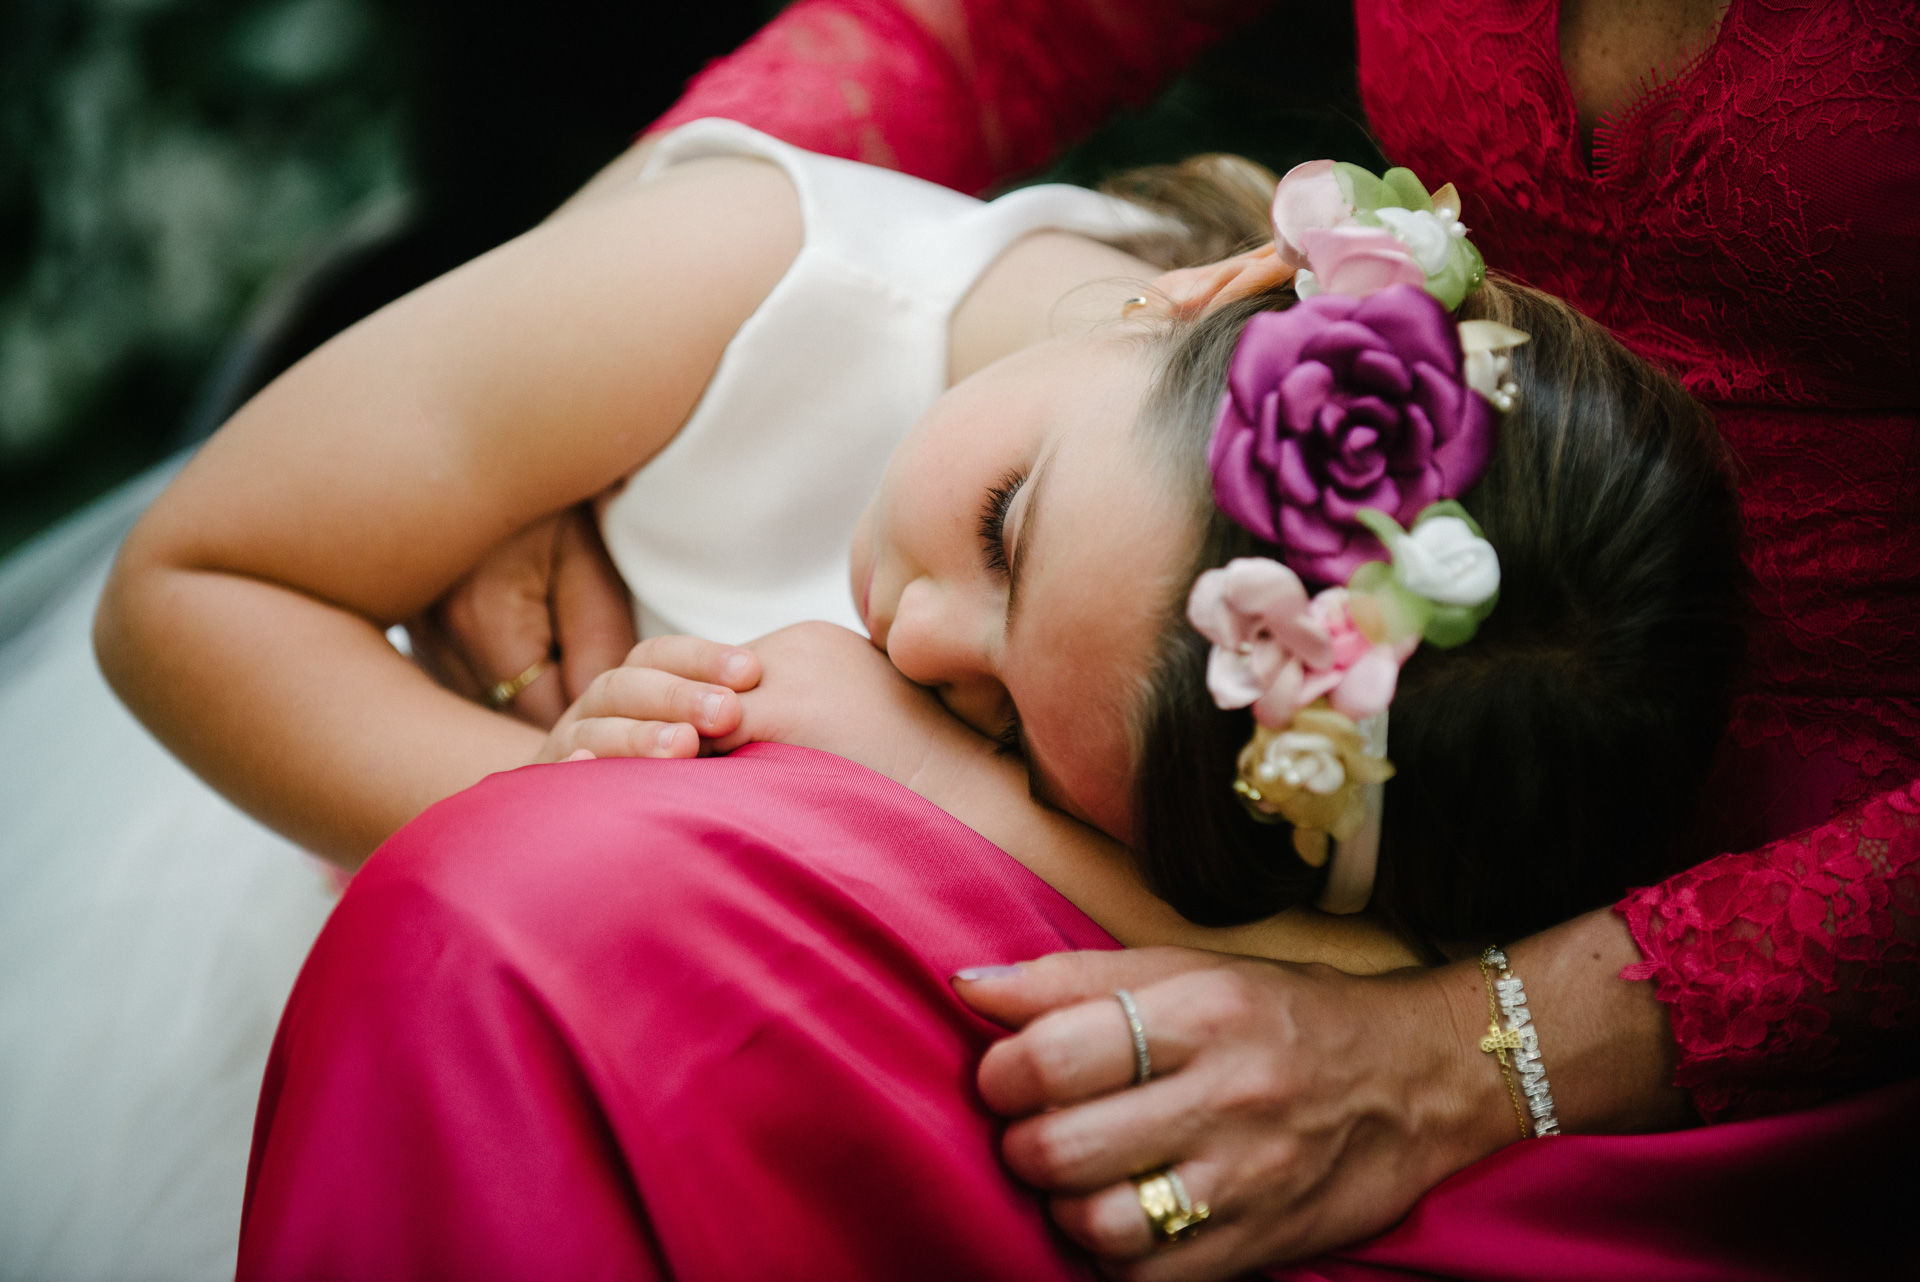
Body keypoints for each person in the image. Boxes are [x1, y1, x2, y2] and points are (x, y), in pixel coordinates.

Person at [406, 0, 1917, 1273]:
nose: (918, 630)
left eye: (1003, 534)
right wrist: (532, 365)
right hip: (1178, 676)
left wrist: (1470, 1047)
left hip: (1733, 980)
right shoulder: (1044, 502)